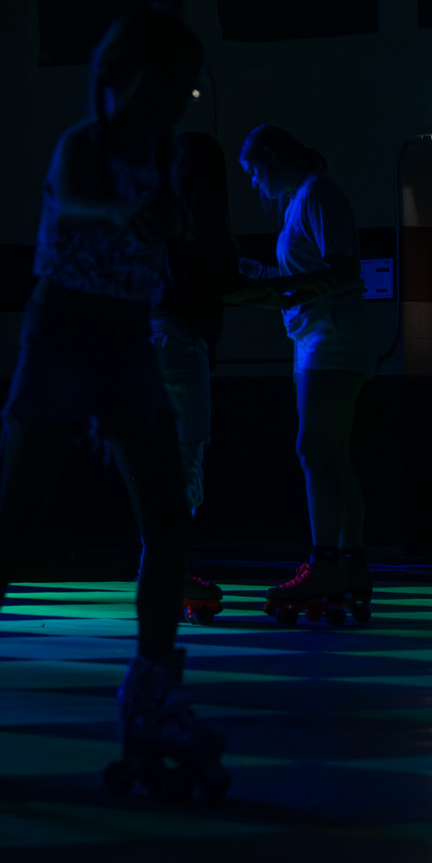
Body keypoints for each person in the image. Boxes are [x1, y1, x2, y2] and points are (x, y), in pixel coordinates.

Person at [0, 10, 230, 803]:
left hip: (128, 337)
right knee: (17, 525)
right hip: (63, 330)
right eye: (169, 79)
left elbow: (185, 249)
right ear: (128, 78)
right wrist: (132, 214)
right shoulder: (84, 142)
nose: (182, 96)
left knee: (166, 526)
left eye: (189, 81)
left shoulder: (172, 154)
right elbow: (82, 201)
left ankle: (151, 692)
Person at [231, 125, 374, 626]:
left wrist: (275, 288)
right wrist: (264, 277)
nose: (253, 183)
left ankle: (326, 563)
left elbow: (342, 271)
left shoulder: (318, 196)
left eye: (253, 171)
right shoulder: (304, 199)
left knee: (315, 451)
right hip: (324, 336)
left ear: (272, 158)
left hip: (329, 337)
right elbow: (319, 273)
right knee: (330, 453)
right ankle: (345, 562)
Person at [152, 132, 243, 624]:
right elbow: (222, 286)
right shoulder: (202, 222)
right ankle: (171, 572)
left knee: (161, 463)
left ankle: (162, 569)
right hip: (184, 345)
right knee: (185, 461)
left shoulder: (160, 215)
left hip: (155, 340)